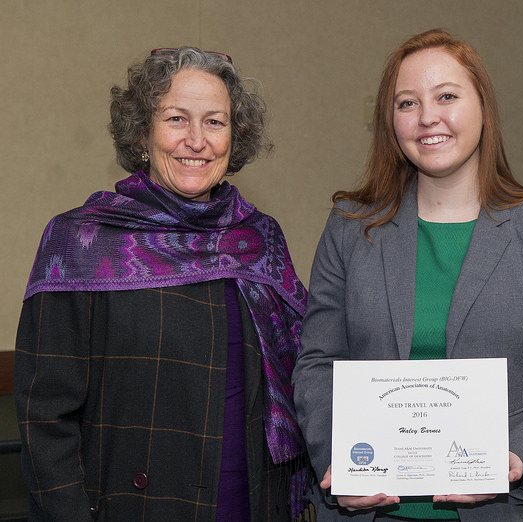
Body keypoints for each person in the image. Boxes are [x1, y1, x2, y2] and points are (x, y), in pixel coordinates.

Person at [292, 29, 523, 521]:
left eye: (447, 96)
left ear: (482, 107)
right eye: (407, 103)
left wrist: (519, 459)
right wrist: (338, 460)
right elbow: (318, 363)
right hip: (373, 511)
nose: (428, 118)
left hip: (510, 509)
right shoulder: (349, 228)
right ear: (390, 121)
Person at [15, 47, 314, 521]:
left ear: (235, 139)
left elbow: (307, 373)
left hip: (252, 502)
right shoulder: (80, 243)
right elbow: (45, 417)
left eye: (215, 122)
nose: (196, 140)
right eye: (176, 118)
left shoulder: (260, 240)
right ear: (141, 133)